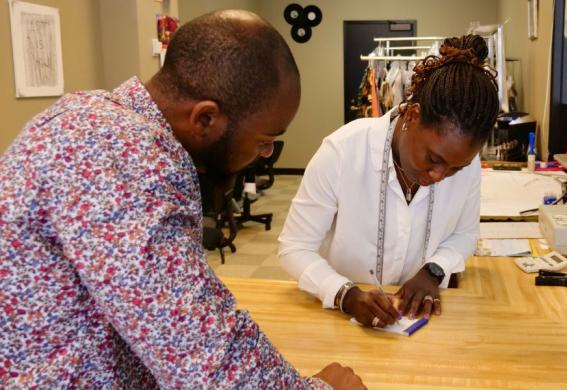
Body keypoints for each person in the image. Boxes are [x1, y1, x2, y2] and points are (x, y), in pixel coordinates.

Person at [0, 10, 364, 389]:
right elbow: (194, 346)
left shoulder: (92, 118)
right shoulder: (123, 154)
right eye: (264, 140)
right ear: (205, 119)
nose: (268, 154)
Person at [279, 35, 499, 328]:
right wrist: (345, 294)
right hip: (342, 321)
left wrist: (433, 270)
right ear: (412, 114)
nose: (439, 176)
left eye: (454, 169)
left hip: (418, 324)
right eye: (433, 159)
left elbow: (465, 235)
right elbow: (294, 248)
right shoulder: (342, 152)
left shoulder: (465, 165)